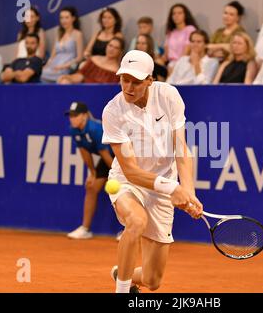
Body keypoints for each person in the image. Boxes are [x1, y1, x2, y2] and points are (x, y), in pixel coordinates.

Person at [101, 50, 203, 293]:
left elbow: (181, 150)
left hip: (163, 188)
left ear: (150, 80)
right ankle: (122, 291)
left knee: (152, 280)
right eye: (124, 79)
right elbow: (132, 171)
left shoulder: (169, 96)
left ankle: (121, 274)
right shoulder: (112, 112)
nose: (129, 87)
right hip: (128, 182)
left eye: (136, 81)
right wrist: (173, 188)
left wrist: (188, 191)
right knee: (136, 221)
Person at [65, 102, 115, 240]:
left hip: (120, 156)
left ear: (84, 115)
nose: (72, 118)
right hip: (108, 158)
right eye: (70, 116)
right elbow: (84, 152)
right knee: (92, 187)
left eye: (75, 115)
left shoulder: (95, 129)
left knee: (125, 190)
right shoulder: (74, 129)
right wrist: (92, 173)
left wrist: (118, 175)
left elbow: (105, 153)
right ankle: (85, 229)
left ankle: (129, 230)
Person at [41, 7, 83, 83]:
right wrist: (47, 65)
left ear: (73, 18)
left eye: (67, 17)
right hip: (55, 65)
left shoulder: (77, 34)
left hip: (68, 66)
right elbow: (53, 55)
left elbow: (79, 57)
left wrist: (64, 66)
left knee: (60, 77)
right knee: (41, 73)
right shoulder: (59, 33)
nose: (64, 20)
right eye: (61, 18)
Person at [57, 37, 124, 84]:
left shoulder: (118, 72)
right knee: (64, 81)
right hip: (84, 90)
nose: (111, 49)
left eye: (116, 48)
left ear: (120, 52)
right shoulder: (93, 59)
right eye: (110, 45)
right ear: (106, 46)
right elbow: (80, 76)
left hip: (102, 98)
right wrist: (68, 78)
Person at [161, 4, 198, 71]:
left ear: (185, 15)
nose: (176, 16)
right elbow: (166, 55)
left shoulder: (190, 29)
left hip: (183, 63)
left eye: (179, 13)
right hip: (170, 64)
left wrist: (176, 65)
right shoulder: (170, 32)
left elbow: (186, 52)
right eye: (174, 13)